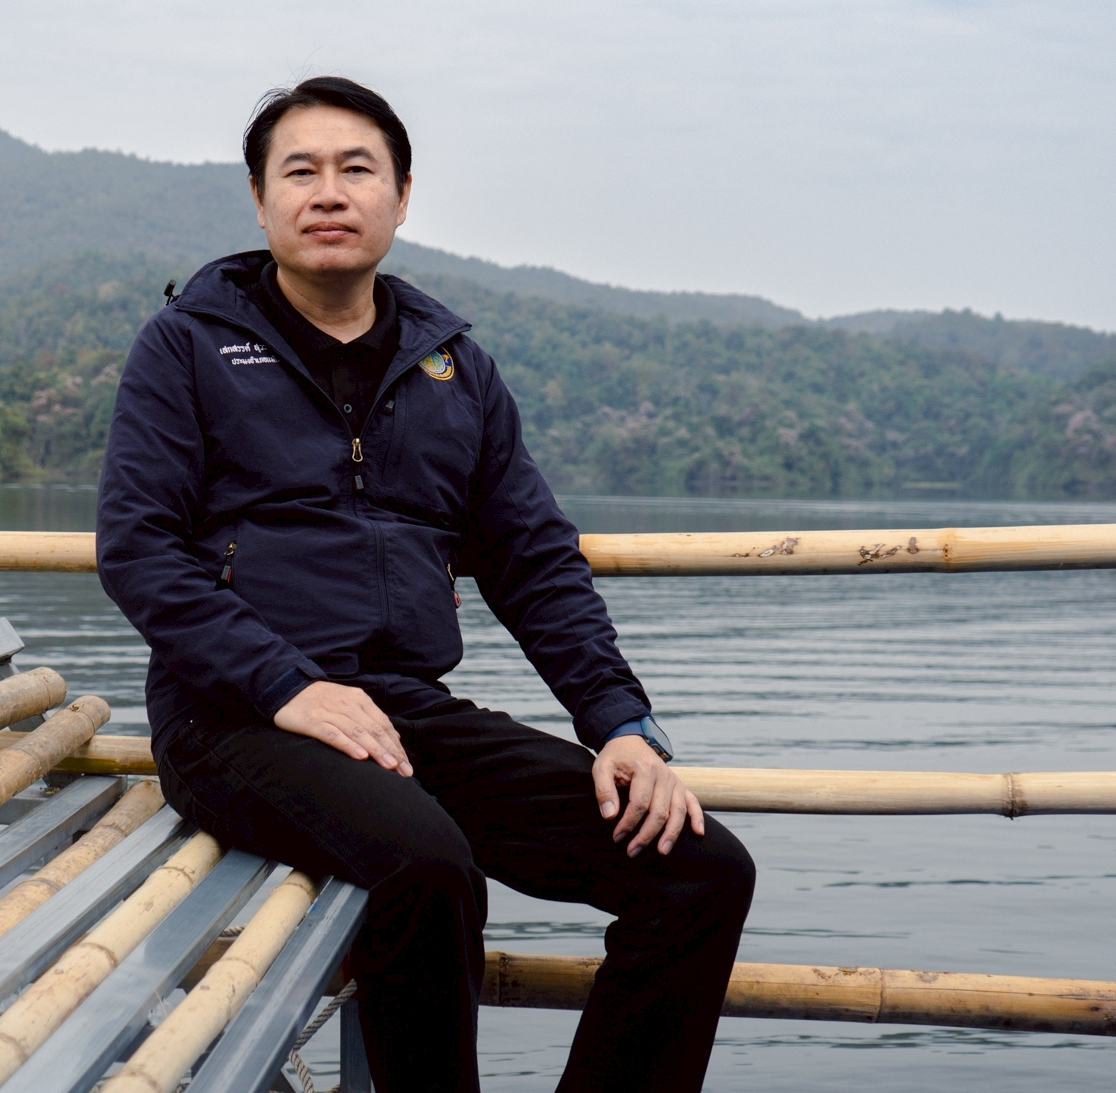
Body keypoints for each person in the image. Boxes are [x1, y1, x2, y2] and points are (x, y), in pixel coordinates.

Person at [96, 77, 754, 1093]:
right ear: (260, 201)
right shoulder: (189, 346)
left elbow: (532, 560)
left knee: (699, 870)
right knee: (428, 865)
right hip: (232, 717)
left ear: (400, 197)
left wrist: (620, 723)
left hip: (402, 714)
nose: (328, 191)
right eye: (299, 171)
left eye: (356, 169)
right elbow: (139, 549)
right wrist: (287, 685)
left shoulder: (452, 367)